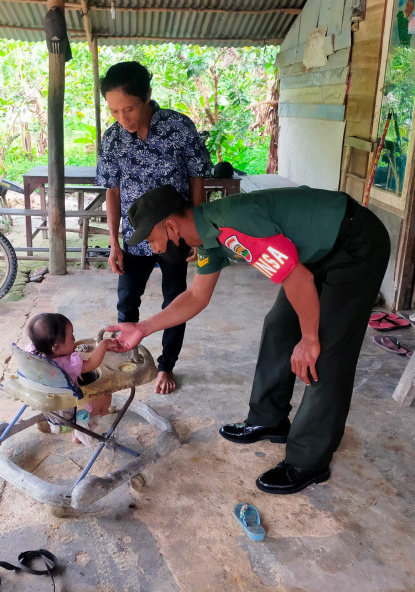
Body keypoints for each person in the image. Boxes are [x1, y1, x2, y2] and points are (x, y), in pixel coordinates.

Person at [106, 184, 391, 495]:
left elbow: (299, 278)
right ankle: (269, 418)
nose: (156, 249)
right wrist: (143, 327)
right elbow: (196, 296)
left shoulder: (232, 229)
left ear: (171, 226)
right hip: (317, 248)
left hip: (354, 244)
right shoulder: (207, 237)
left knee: (325, 353)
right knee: (279, 327)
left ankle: (309, 461)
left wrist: (310, 338)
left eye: (152, 240)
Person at [97, 61, 211, 395]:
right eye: (115, 111)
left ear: (147, 96)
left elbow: (196, 179)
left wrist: (198, 233)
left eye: (128, 109)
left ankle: (166, 366)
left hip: (174, 235)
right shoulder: (114, 138)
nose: (123, 119)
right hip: (135, 240)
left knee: (175, 302)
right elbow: (112, 191)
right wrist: (115, 243)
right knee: (127, 300)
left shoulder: (179, 127)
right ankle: (127, 357)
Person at [26, 313, 116, 439]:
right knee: (106, 395)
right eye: (71, 337)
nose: (74, 339)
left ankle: (79, 430)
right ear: (55, 348)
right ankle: (83, 430)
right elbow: (92, 363)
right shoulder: (67, 366)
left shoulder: (33, 354)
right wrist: (104, 345)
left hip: (51, 411)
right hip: (70, 417)